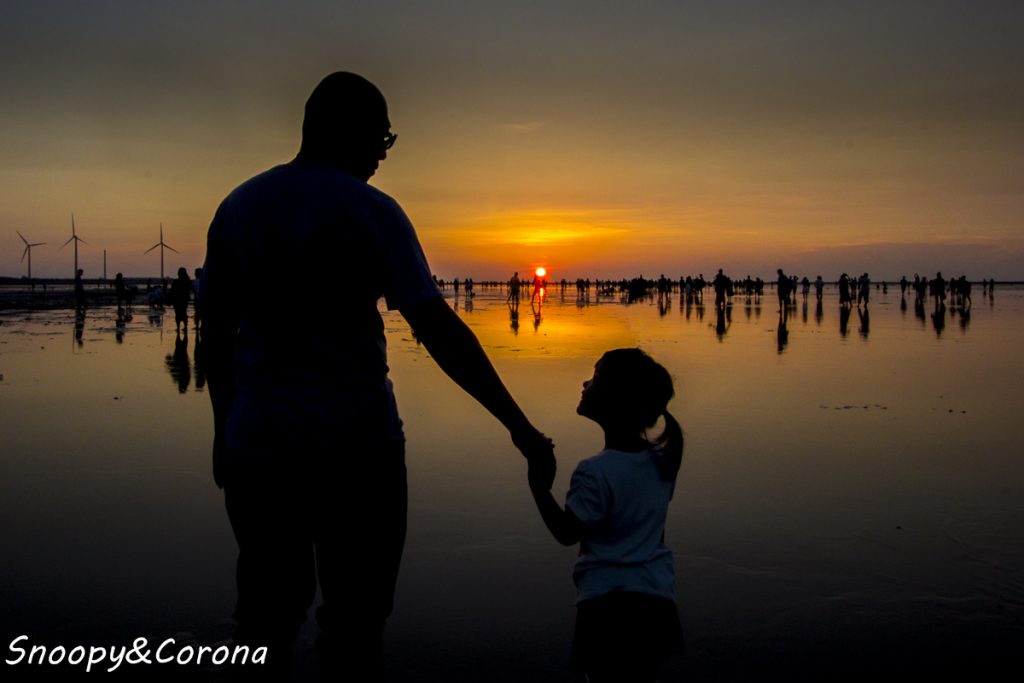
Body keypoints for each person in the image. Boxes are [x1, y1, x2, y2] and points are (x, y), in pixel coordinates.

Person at [198, 72, 553, 673]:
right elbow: (439, 330)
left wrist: (222, 430)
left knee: (264, 617)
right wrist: (519, 429)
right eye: (382, 139)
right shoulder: (373, 211)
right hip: (358, 451)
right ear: (352, 132)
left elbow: (215, 338)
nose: (382, 157)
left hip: (257, 447)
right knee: (355, 623)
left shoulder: (238, 206)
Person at [528, 348, 684, 682]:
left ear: (616, 401)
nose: (585, 384)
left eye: (596, 378)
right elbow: (655, 533)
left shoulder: (595, 471)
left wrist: (539, 486)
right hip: (657, 601)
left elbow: (567, 532)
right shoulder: (662, 462)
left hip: (608, 607)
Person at [169, 267, 192, 333]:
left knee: (177, 314)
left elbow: (172, 291)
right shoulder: (188, 282)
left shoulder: (176, 282)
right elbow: (188, 291)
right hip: (184, 300)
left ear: (178, 273)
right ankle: (185, 327)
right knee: (184, 313)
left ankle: (178, 327)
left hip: (177, 300)